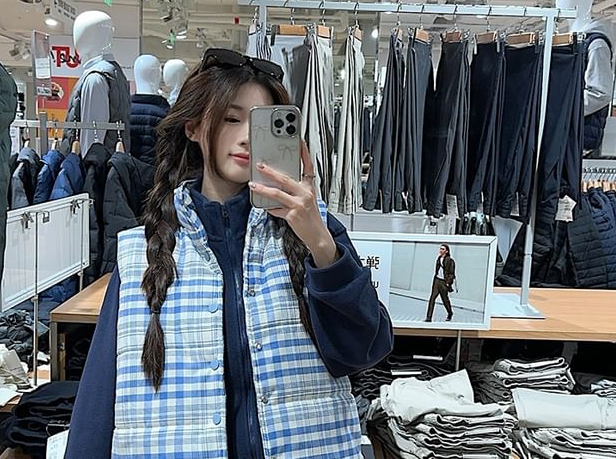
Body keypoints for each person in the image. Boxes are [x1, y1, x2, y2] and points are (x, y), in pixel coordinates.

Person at [64, 48, 393, 459]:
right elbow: (98, 402)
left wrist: (321, 244)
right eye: (231, 119)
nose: (247, 137)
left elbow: (365, 351)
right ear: (194, 126)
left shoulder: (314, 231)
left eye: (263, 123)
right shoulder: (142, 252)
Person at [426, 244, 456, 322]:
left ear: (446, 251)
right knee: (432, 298)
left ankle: (450, 313)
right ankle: (428, 318)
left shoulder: (450, 260)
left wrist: (448, 283)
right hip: (437, 280)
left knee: (445, 299)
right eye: (440, 249)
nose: (440, 250)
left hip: (444, 282)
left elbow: (452, 273)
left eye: (443, 249)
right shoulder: (438, 258)